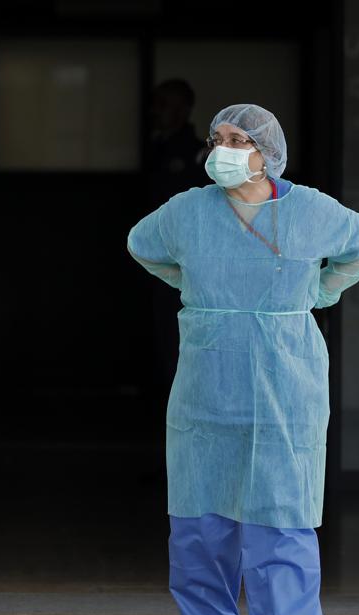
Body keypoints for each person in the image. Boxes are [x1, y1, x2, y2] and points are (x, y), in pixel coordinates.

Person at [127, 104, 359, 615]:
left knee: (282, 506)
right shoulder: (188, 212)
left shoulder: (312, 210)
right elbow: (141, 245)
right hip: (208, 378)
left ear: (267, 153)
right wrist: (195, 285)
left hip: (285, 378)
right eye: (218, 138)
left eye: (239, 138)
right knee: (202, 512)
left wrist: (323, 289)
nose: (224, 148)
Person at [145, 79, 210, 398]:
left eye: (165, 105)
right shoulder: (152, 149)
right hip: (149, 252)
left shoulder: (196, 154)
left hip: (183, 259)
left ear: (184, 109)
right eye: (156, 104)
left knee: (178, 331)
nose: (158, 112)